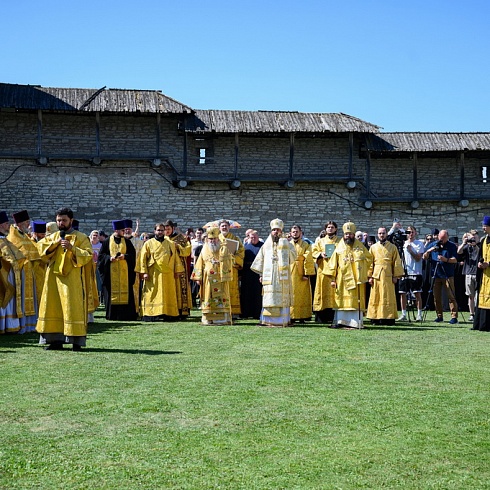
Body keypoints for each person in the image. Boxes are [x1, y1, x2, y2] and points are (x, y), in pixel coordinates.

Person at [36, 207, 94, 351]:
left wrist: (72, 248)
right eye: (59, 220)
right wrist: (53, 245)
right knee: (53, 307)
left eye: (64, 220)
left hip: (73, 280)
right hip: (53, 280)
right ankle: (55, 341)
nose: (61, 223)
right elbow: (40, 251)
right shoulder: (53, 237)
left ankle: (76, 342)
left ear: (71, 221)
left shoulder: (81, 237)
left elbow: (88, 256)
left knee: (72, 307)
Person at [324, 221, 372, 329]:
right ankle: (341, 321)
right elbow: (333, 263)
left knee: (354, 301)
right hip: (342, 278)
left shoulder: (360, 247)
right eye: (346, 234)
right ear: (344, 235)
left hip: (356, 278)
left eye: (350, 234)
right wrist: (332, 279)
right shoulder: (339, 247)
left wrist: (361, 265)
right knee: (341, 301)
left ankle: (355, 323)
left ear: (353, 235)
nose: (348, 236)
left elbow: (369, 259)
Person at [251, 218, 297, 327]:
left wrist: (285, 245)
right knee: (269, 298)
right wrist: (261, 274)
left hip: (282, 278)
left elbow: (293, 257)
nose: (276, 232)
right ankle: (267, 320)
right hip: (269, 278)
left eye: (278, 230)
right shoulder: (266, 245)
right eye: (274, 230)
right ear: (271, 231)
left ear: (281, 231)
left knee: (281, 298)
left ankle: (282, 321)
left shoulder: (287, 243)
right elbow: (260, 260)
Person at [138, 223, 181, 321]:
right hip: (153, 273)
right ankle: (151, 314)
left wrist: (177, 270)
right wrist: (144, 272)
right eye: (158, 230)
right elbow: (142, 259)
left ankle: (168, 313)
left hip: (168, 274)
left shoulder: (170, 243)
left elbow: (175, 258)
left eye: (162, 230)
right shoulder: (148, 243)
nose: (160, 232)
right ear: (154, 231)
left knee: (167, 293)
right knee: (152, 293)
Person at [191, 227, 234, 325]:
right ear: (207, 239)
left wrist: (221, 261)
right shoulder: (204, 248)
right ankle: (208, 319)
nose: (213, 241)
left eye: (214, 239)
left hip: (220, 278)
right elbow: (199, 263)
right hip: (207, 279)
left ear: (218, 238)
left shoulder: (224, 248)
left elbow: (231, 260)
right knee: (208, 297)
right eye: (210, 239)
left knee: (221, 297)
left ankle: (222, 319)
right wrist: (198, 277)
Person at [97, 219, 138, 321]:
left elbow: (133, 255)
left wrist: (125, 256)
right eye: (122, 230)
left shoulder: (127, 242)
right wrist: (109, 258)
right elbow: (101, 257)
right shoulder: (107, 242)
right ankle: (113, 315)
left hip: (125, 274)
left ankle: (127, 315)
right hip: (111, 274)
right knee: (111, 294)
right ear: (116, 230)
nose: (124, 232)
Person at [8, 209, 42, 332]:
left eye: (28, 221)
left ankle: (31, 325)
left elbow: (34, 250)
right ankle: (23, 325)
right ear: (19, 223)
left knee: (31, 298)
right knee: (22, 299)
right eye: (26, 222)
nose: (28, 224)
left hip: (30, 271)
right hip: (21, 273)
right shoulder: (13, 236)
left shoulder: (24, 235)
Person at [366, 227, 404, 325]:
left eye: (383, 233)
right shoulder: (373, 247)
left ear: (386, 234)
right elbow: (369, 262)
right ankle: (375, 318)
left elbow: (397, 262)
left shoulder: (393, 247)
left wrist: (396, 276)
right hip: (376, 276)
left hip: (388, 275)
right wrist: (369, 276)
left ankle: (389, 318)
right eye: (380, 233)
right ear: (377, 234)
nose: (382, 235)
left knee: (388, 296)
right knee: (376, 296)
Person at [423, 229, 459, 324]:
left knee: (451, 295)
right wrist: (429, 251)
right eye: (440, 238)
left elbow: (455, 260)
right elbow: (424, 257)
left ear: (447, 237)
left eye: (443, 239)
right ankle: (439, 316)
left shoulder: (451, 246)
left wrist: (445, 259)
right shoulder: (433, 244)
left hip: (447, 274)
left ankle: (454, 316)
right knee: (436, 297)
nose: (441, 240)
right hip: (435, 274)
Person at [0, 211, 26, 334]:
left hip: (11, 275)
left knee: (10, 300)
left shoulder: (6, 240)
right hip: (2, 276)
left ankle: (10, 325)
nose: (9, 225)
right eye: (6, 223)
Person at [312, 221, 341, 324]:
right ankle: (321, 317)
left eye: (332, 227)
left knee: (334, 292)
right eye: (328, 227)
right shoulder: (320, 241)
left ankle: (333, 316)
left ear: (336, 229)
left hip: (335, 271)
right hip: (323, 270)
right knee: (322, 291)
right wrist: (320, 254)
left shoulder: (340, 241)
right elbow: (313, 252)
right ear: (325, 229)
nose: (330, 229)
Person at [164, 219, 192, 320]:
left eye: (168, 229)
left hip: (180, 266)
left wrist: (178, 246)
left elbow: (188, 251)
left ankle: (181, 310)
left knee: (180, 287)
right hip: (167, 267)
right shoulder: (162, 239)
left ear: (173, 228)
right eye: (165, 229)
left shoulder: (180, 238)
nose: (166, 231)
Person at [218, 219, 245, 319]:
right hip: (219, 268)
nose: (224, 228)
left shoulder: (235, 239)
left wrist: (234, 258)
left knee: (232, 290)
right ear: (219, 228)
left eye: (226, 226)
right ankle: (221, 311)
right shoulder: (215, 239)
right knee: (220, 289)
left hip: (231, 268)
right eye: (222, 226)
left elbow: (241, 252)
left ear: (229, 227)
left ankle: (233, 312)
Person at [397, 225, 425, 321]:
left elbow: (418, 257)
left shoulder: (419, 244)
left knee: (417, 293)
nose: (411, 234)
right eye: (409, 232)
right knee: (403, 293)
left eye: (412, 232)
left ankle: (419, 314)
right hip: (405, 271)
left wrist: (410, 249)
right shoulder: (403, 244)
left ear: (415, 233)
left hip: (415, 271)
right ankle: (403, 314)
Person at [289, 225, 315, 323]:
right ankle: (291, 315)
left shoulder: (306, 244)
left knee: (302, 295)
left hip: (301, 273)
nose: (295, 233)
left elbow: (308, 258)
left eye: (297, 231)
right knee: (291, 294)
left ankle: (302, 316)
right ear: (291, 233)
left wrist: (306, 274)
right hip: (290, 271)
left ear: (300, 233)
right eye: (293, 232)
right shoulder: (288, 244)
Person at [240, 230, 264, 319]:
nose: (253, 238)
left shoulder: (262, 247)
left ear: (258, 237)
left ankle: (257, 313)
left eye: (255, 237)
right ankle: (245, 313)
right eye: (251, 237)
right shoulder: (245, 247)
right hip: (247, 272)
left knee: (257, 293)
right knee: (246, 293)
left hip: (257, 273)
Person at [458, 231, 480, 322]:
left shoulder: (480, 245)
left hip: (478, 273)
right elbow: (459, 251)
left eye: (474, 236)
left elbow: (480, 252)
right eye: (471, 237)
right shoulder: (467, 247)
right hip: (468, 273)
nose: (472, 239)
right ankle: (472, 314)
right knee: (470, 295)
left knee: (478, 295)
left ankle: (479, 313)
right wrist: (464, 242)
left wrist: (475, 244)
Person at [473, 217, 490, 331]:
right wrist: (480, 264)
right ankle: (481, 324)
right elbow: (480, 256)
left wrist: (489, 264)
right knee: (482, 297)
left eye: (485, 226)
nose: (483, 228)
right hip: (484, 275)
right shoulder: (483, 240)